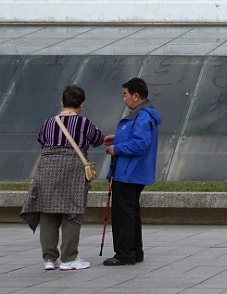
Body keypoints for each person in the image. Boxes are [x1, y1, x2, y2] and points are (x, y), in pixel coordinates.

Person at [20, 85, 105, 271]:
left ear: (62, 102)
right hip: (72, 169)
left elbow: (42, 141)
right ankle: (69, 258)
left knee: (48, 213)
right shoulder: (84, 123)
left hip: (47, 168)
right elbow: (98, 139)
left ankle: (49, 259)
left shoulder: (49, 123)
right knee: (72, 212)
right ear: (81, 104)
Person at [103, 78, 162, 266]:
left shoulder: (142, 115)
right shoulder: (144, 114)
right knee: (131, 212)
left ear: (136, 96)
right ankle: (135, 251)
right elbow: (137, 137)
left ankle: (124, 253)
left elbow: (140, 144)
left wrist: (116, 149)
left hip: (128, 172)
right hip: (135, 172)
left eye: (126, 94)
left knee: (123, 214)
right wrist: (118, 137)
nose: (124, 98)